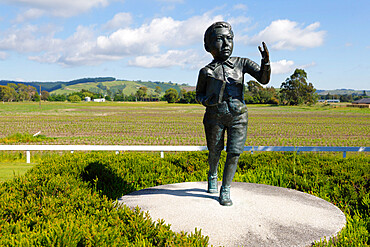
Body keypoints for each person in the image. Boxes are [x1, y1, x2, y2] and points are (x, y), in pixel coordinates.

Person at [196, 21, 271, 206]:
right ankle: (212, 174)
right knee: (215, 150)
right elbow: (199, 94)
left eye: (229, 38)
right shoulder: (205, 71)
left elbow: (263, 79)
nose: (226, 43)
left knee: (234, 152)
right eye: (220, 39)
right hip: (214, 116)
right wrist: (206, 101)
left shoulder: (242, 63)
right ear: (208, 46)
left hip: (238, 116)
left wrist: (266, 62)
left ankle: (225, 189)